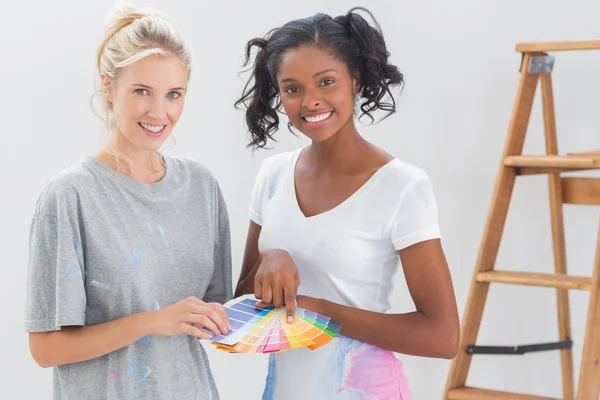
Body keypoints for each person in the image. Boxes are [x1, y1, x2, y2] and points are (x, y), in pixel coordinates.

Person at [234, 7, 459, 399]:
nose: (310, 102)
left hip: (363, 387)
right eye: (292, 89)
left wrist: (317, 309)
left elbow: (442, 337)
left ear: (355, 80)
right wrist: (271, 258)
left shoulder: (401, 187)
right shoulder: (272, 176)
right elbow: (243, 302)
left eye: (326, 82)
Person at [25, 5, 232, 399]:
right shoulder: (70, 196)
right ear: (107, 86)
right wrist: (151, 321)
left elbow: (218, 313)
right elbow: (45, 348)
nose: (160, 112)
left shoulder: (201, 186)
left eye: (174, 94)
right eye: (142, 92)